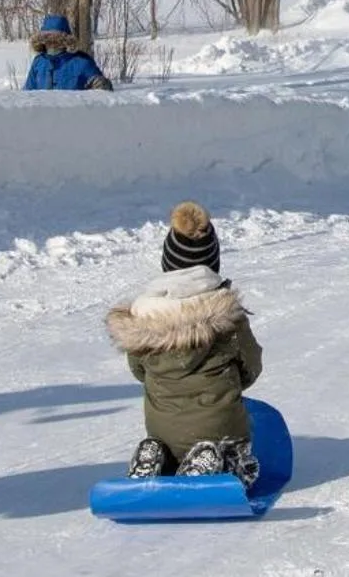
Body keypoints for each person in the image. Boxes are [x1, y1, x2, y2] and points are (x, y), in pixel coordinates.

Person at [108, 202, 264, 482]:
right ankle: (217, 459)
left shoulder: (143, 317)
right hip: (220, 425)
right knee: (240, 458)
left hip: (163, 428)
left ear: (167, 263)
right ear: (212, 263)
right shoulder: (227, 316)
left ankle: (156, 451)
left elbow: (138, 371)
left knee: (164, 439)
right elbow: (250, 368)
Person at [24, 14, 109, 91]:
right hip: (43, 108)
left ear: (66, 41)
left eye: (57, 40)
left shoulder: (81, 62)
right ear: (42, 41)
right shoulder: (38, 62)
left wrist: (102, 84)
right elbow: (28, 94)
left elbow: (102, 91)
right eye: (48, 40)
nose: (52, 44)